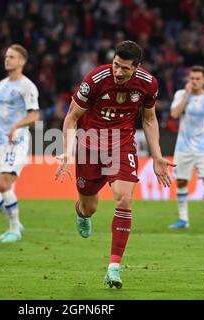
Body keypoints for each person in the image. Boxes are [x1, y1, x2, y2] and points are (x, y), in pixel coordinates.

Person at [55, 41, 175, 289]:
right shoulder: (95, 79)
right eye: (116, 65)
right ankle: (80, 212)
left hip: (122, 145)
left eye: (125, 68)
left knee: (124, 199)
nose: (119, 72)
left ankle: (114, 267)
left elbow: (149, 120)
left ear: (136, 67)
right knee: (90, 208)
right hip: (90, 145)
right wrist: (66, 152)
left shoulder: (148, 84)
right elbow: (71, 117)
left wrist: (157, 156)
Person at [0, 44, 40, 243]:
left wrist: (16, 127)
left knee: (4, 185)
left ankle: (14, 229)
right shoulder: (3, 84)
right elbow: (3, 111)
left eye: (12, 56)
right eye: (6, 56)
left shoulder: (27, 86)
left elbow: (35, 115)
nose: (7, 59)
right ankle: (14, 221)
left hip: (16, 141)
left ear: (22, 61)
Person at [168, 65, 204, 229]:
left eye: (198, 78)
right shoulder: (180, 94)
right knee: (181, 181)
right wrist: (186, 95)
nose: (194, 81)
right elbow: (174, 114)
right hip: (183, 147)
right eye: (192, 78)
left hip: (203, 147)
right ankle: (183, 220)